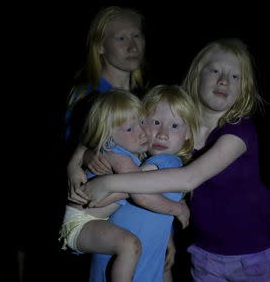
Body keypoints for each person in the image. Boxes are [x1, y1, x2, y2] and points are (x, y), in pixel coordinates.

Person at [81, 38, 270, 281]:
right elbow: (107, 130)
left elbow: (188, 179)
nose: (224, 80)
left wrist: (108, 183)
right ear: (197, 75)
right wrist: (84, 155)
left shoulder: (240, 131)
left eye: (235, 76)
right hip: (204, 252)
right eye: (215, 70)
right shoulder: (174, 128)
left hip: (255, 251)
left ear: (245, 87)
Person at [59, 89, 190, 282]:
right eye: (130, 129)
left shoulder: (132, 153)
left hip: (90, 222)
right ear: (108, 135)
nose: (142, 132)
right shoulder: (120, 157)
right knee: (130, 245)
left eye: (143, 122)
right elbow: (143, 195)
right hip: (78, 225)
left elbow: (85, 145)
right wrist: (178, 209)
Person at [64, 5, 148, 206]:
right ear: (100, 46)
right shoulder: (86, 97)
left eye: (136, 36)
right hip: (102, 211)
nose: (133, 46)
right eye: (121, 38)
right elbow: (67, 149)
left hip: (148, 205)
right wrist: (86, 155)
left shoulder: (148, 97)